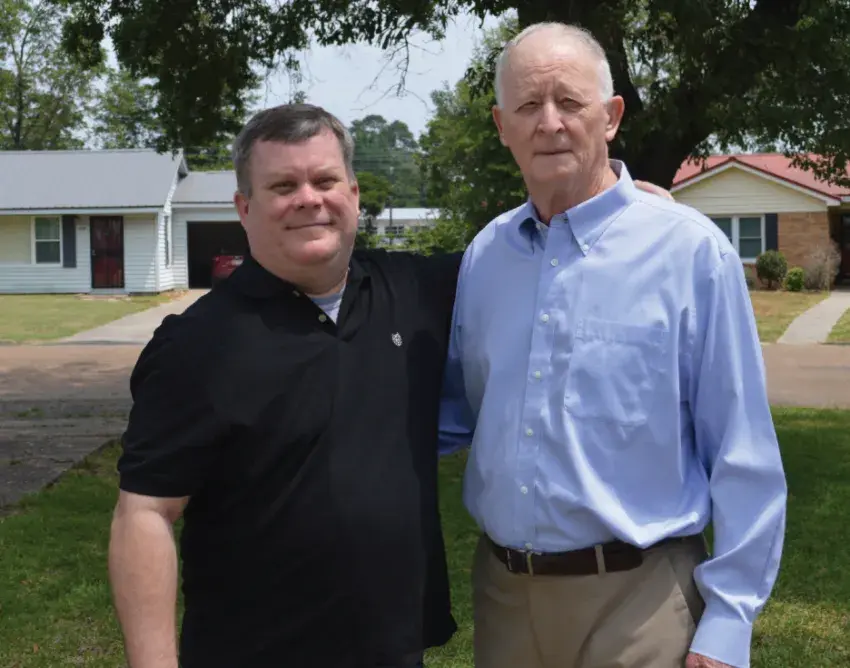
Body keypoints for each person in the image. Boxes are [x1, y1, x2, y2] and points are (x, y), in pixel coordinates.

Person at [438, 22, 787, 668]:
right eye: (528, 105)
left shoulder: (688, 251)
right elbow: (457, 412)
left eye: (569, 101)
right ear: (502, 126)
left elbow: (742, 449)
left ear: (611, 117)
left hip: (641, 602)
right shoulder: (486, 257)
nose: (549, 122)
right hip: (505, 599)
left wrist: (730, 618)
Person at [107, 103, 462, 668]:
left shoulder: (415, 292)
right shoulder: (197, 344)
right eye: (283, 186)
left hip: (394, 650)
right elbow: (145, 513)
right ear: (244, 209)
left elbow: (538, 250)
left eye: (325, 180)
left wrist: (610, 182)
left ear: (354, 194)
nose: (308, 199)